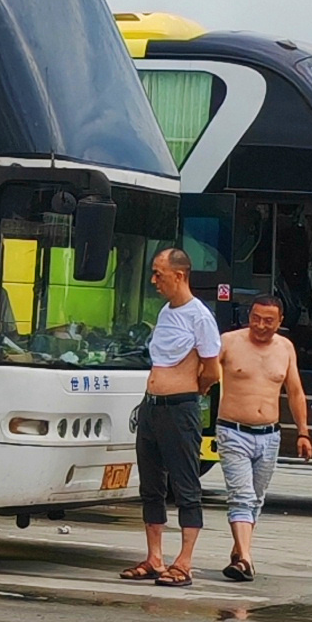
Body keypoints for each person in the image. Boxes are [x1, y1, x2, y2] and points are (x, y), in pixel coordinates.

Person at [124, 246, 220, 586]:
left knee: (184, 485)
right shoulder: (166, 313)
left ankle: (185, 560)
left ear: (179, 275)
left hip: (179, 408)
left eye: (158, 274)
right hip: (152, 406)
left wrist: (193, 389)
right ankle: (154, 556)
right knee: (151, 484)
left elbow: (212, 370)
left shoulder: (200, 317)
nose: (154, 281)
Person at [213, 293, 312, 583]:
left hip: (269, 435)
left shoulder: (286, 348)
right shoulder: (229, 341)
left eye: (268, 321)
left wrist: (303, 432)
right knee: (241, 497)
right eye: (255, 318)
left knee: (255, 500)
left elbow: (295, 391)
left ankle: (238, 551)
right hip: (233, 430)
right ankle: (246, 559)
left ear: (280, 321)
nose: (260, 325)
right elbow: (204, 373)